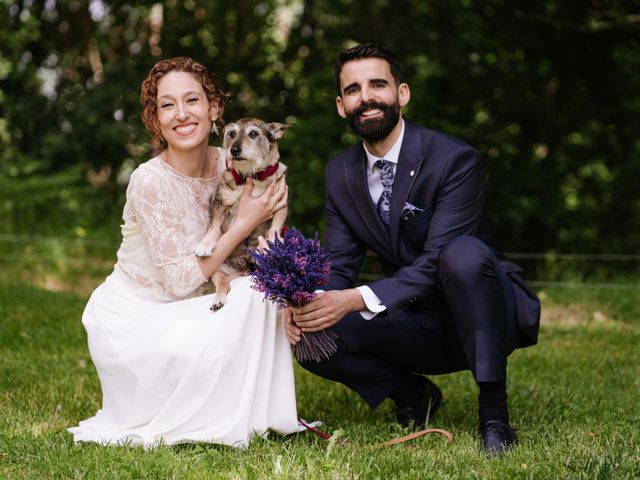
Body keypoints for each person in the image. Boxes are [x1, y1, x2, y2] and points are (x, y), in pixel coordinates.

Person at [285, 43, 540, 454]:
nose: (365, 97)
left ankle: (494, 415)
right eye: (353, 90)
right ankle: (412, 395)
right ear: (340, 105)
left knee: (463, 254)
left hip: (482, 315)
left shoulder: (454, 159)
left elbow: (439, 259)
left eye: (377, 85)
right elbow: (340, 262)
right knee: (312, 335)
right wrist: (307, 304)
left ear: (402, 94)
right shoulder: (340, 171)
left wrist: (353, 299)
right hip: (411, 320)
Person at [68, 57, 302, 449]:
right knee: (245, 296)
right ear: (155, 119)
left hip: (204, 303)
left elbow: (270, 224)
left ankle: (261, 412)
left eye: (192, 100)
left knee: (259, 292)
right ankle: (222, 409)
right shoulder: (148, 181)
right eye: (166, 105)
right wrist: (244, 223)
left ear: (213, 109)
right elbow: (179, 282)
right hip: (140, 318)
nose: (181, 114)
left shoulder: (238, 161)